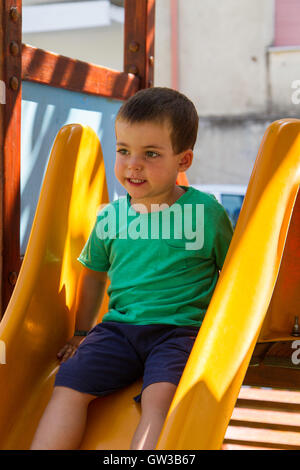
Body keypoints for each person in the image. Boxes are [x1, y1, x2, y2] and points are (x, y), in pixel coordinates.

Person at [30, 87, 233, 450]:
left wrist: (221, 338)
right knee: (69, 384)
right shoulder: (111, 217)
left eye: (150, 154)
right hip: (119, 330)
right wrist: (80, 332)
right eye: (123, 150)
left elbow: (233, 276)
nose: (132, 165)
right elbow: (93, 274)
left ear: (183, 160)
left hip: (179, 332)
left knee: (160, 398)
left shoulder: (207, 214)